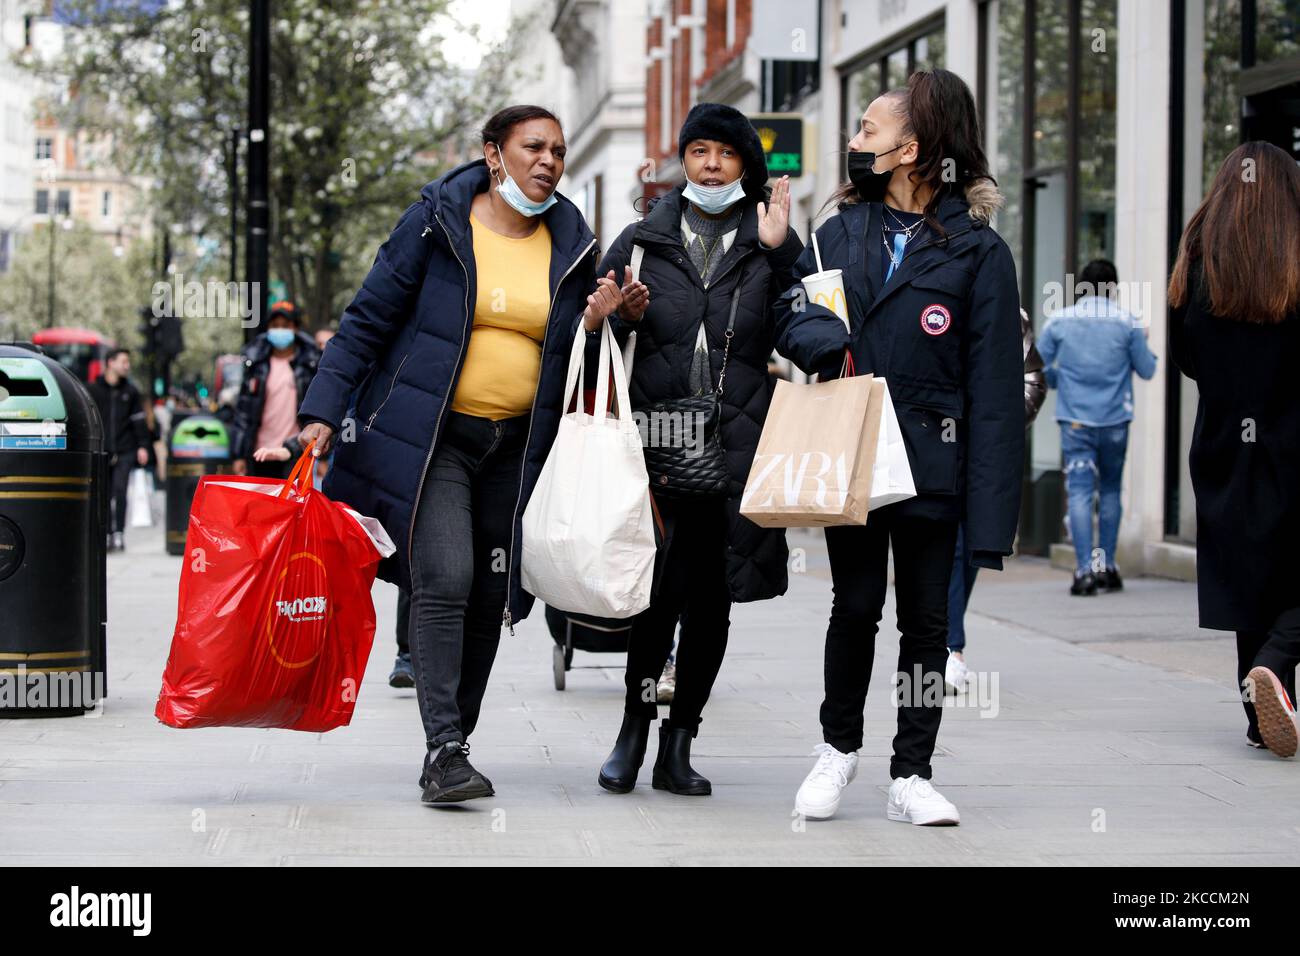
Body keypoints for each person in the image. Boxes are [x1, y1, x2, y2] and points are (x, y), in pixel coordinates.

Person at [295, 105, 625, 803]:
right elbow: (367, 319)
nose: (549, 161)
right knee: (445, 574)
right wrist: (322, 413)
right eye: (533, 147)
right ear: (494, 154)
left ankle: (452, 743)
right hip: (437, 440)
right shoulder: (436, 221)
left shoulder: (572, 243)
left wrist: (598, 322)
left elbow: (569, 358)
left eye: (559, 152)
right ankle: (444, 745)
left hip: (518, 449)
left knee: (491, 593)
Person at [773, 69, 1024, 825]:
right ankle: (836, 751)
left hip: (932, 461)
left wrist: (989, 522)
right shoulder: (837, 231)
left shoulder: (979, 251)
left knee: (928, 624)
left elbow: (996, 394)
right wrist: (829, 343)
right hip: (852, 452)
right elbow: (793, 311)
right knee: (854, 606)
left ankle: (912, 772)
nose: (854, 143)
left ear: (911, 149)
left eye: (868, 133)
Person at [593, 102, 804, 796]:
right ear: (681, 159)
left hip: (740, 447)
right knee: (655, 596)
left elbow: (812, 324)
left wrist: (785, 250)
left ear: (747, 165)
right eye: (699, 151)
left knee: (713, 600)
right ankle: (632, 729)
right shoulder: (640, 239)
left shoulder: (767, 238)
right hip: (656, 443)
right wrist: (614, 321)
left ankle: (678, 744)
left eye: (727, 155)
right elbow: (591, 338)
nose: (711, 166)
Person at [1168, 141, 1300, 757]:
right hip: (1291, 436)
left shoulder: (1197, 260)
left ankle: (1259, 713)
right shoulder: (1296, 257)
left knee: (1252, 574)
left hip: (1223, 441)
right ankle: (1277, 660)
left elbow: (1186, 358)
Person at [1037, 259, 1157, 595]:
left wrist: (1064, 379)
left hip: (1075, 419)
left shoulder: (1060, 320)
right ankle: (1106, 565)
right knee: (1110, 490)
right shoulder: (1127, 321)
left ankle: (1083, 571)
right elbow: (1147, 370)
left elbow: (1035, 366)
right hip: (1116, 419)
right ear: (1114, 288)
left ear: (1082, 287)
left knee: (1078, 490)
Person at [944, 307, 1046, 693]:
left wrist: (996, 423)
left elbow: (1033, 381)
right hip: (934, 441)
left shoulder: (1007, 310)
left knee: (972, 544)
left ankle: (947, 642)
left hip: (985, 449)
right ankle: (950, 647)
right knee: (949, 545)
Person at [231, 300, 321, 481]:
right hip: (259, 453)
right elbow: (244, 411)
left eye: (285, 325)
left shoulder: (310, 365)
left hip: (295, 451)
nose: (280, 330)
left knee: (292, 507)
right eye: (275, 325)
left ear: (295, 329)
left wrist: (323, 457)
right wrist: (239, 454)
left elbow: (320, 410)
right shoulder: (255, 365)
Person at [87, 348, 151, 552]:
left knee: (121, 491)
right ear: (110, 363)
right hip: (102, 450)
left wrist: (143, 446)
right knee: (103, 493)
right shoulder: (93, 389)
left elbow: (138, 421)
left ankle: (119, 533)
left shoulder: (130, 392)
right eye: (123, 361)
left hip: (125, 449)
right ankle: (105, 533)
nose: (127, 366)